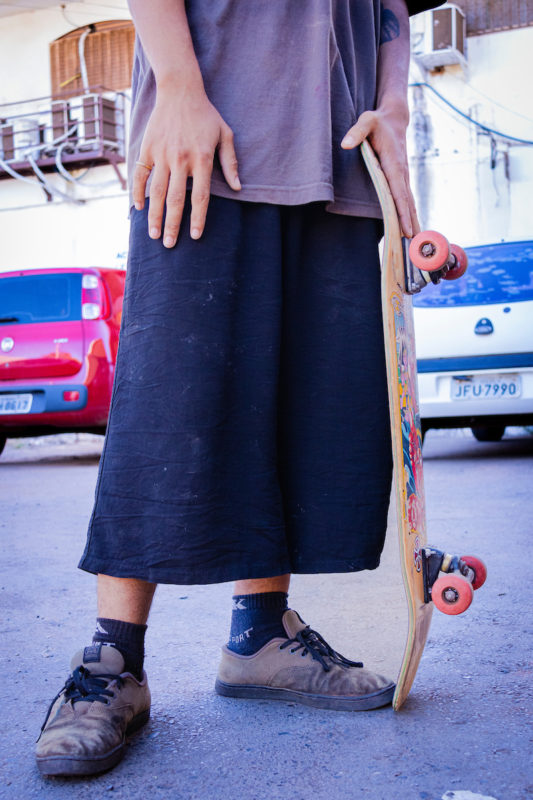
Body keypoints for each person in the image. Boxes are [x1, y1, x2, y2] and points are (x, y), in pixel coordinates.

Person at [36, 0, 439, 778]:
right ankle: (112, 661)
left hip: (342, 150)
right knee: (169, 400)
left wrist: (394, 106)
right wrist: (180, 87)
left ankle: (260, 636)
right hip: (207, 133)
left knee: (300, 402)